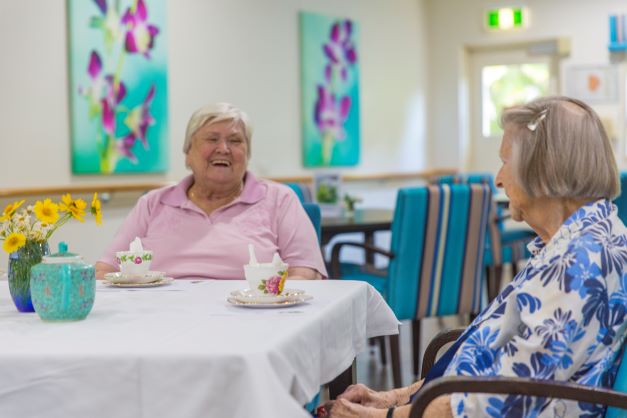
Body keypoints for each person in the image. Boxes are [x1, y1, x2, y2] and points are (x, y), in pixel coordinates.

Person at [322, 96, 627, 417]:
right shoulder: (577, 242)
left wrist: (382, 417)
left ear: (541, 169)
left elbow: (501, 399)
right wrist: (394, 398)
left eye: (506, 162)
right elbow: (494, 362)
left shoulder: (579, 264)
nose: (498, 178)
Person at [96, 103, 327, 280]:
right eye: (212, 139)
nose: (224, 149)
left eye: (236, 141)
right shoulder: (152, 203)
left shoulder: (280, 199)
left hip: (253, 319)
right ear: (188, 153)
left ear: (247, 154)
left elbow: (306, 272)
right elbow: (107, 268)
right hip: (159, 320)